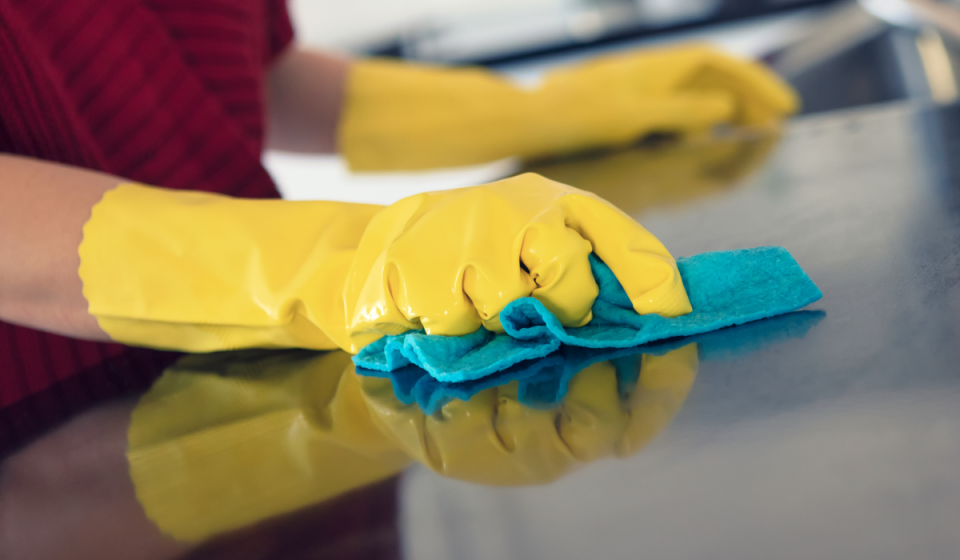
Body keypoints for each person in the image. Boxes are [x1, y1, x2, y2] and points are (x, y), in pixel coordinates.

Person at [0, 0, 797, 421]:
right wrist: (349, 264)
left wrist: (545, 110)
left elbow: (249, 72)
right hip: (50, 438)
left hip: (247, 380)